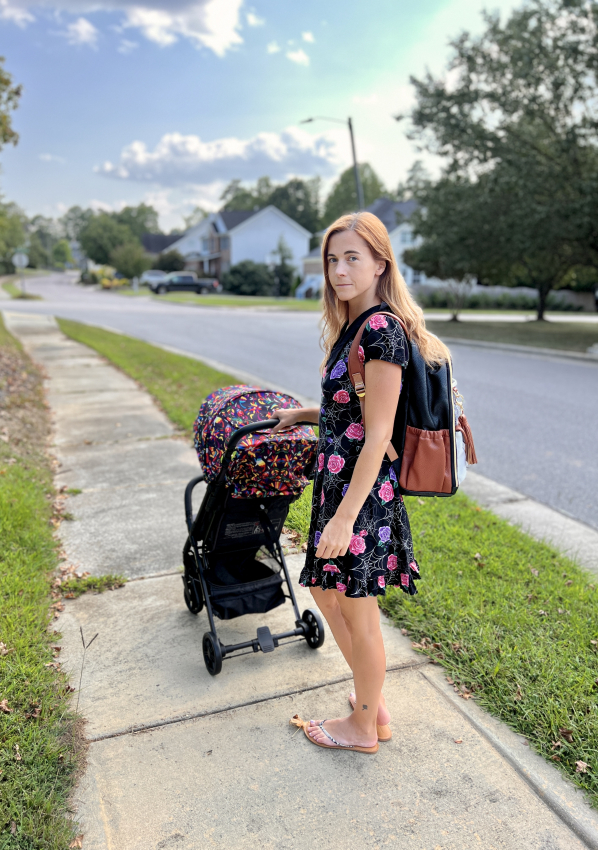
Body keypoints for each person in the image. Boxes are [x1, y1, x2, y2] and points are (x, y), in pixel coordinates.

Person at [273, 211, 450, 753]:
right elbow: (348, 409)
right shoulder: (352, 326)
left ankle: (363, 728)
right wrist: (304, 415)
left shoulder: (379, 330)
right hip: (339, 487)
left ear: (380, 263)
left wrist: (346, 518)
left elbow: (376, 438)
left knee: (358, 610)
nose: (339, 269)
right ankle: (372, 704)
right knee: (329, 593)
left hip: (362, 497)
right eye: (332, 259)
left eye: (353, 258)